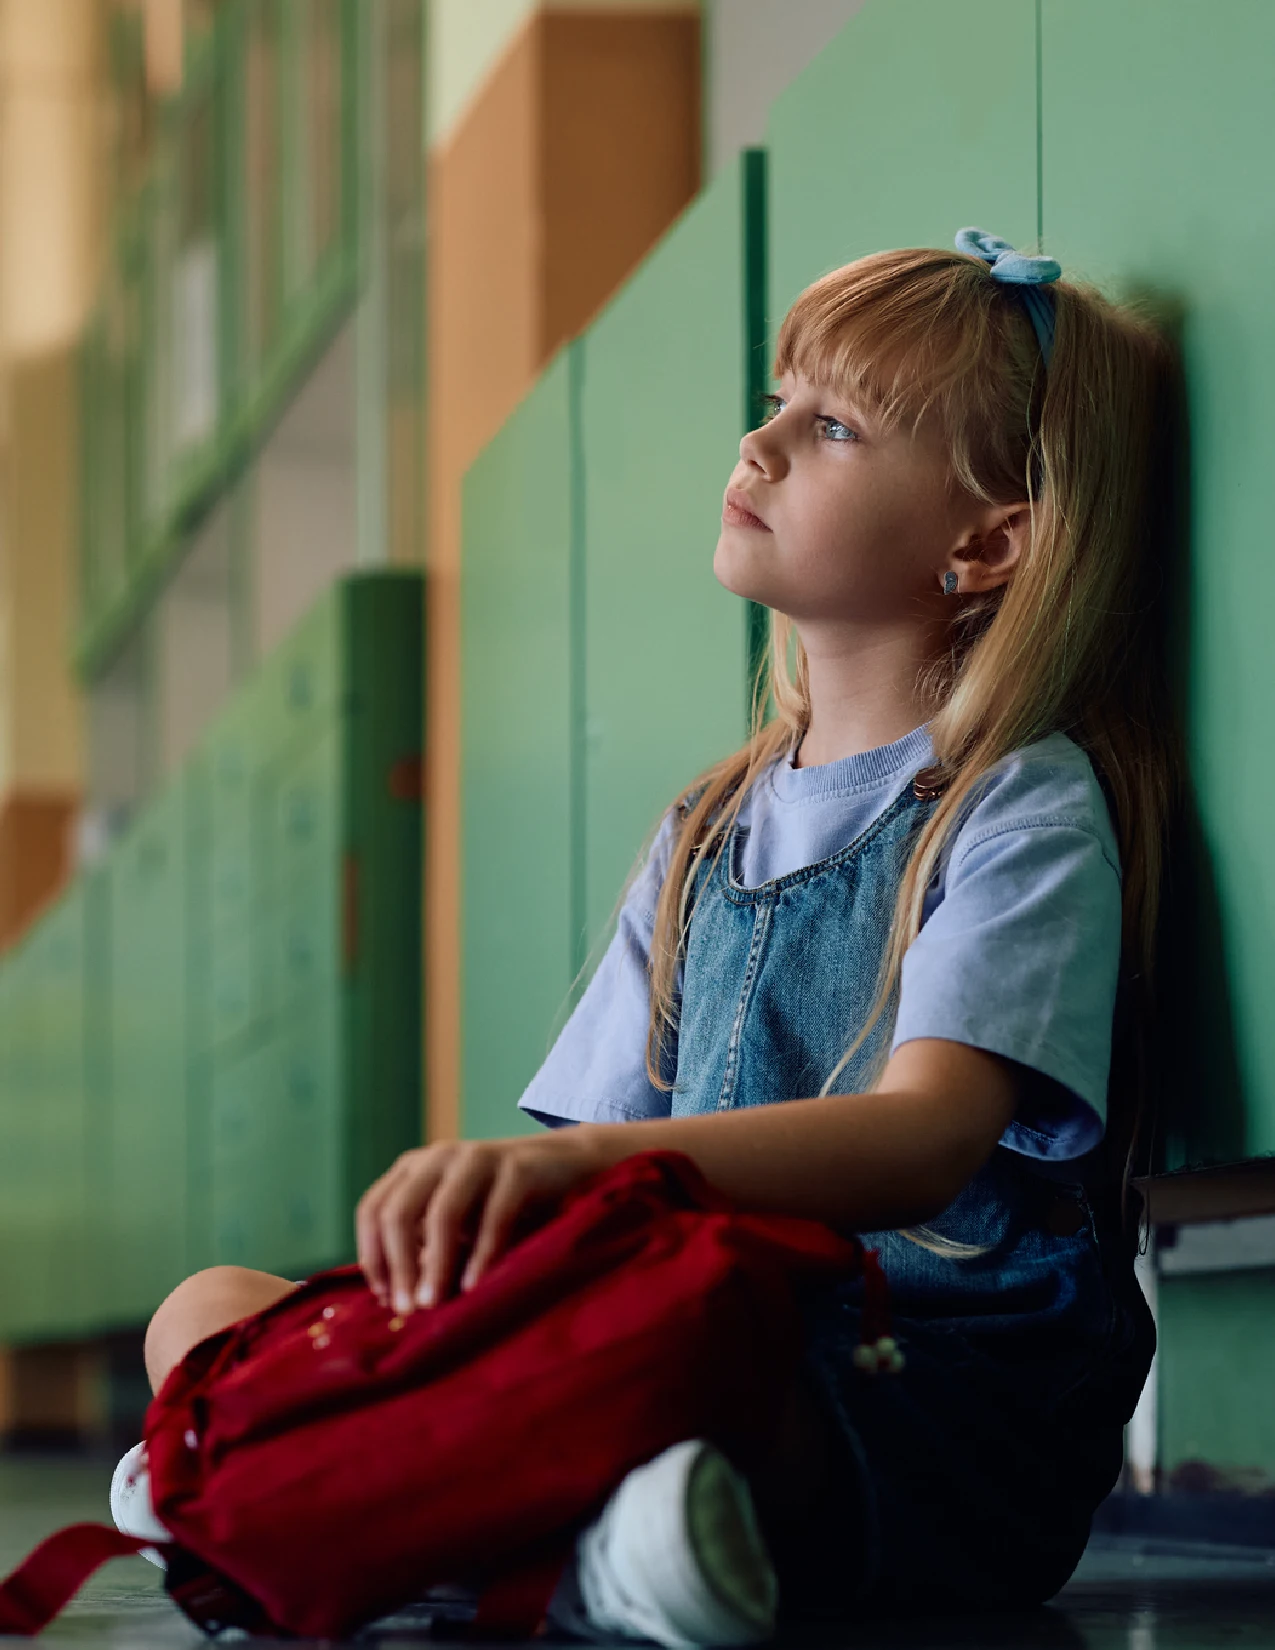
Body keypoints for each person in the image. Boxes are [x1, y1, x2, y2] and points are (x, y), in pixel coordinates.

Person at [115, 228, 1174, 1645]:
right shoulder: (703, 826)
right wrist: (456, 1261)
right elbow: (583, 1172)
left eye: (833, 424)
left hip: (916, 1380)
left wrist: (572, 1169)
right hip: (675, 1325)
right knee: (208, 1305)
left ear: (985, 542)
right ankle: (546, 1519)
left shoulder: (1016, 800)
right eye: (779, 397)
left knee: (688, 1357)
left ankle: (337, 1484)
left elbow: (924, 1134)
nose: (762, 439)